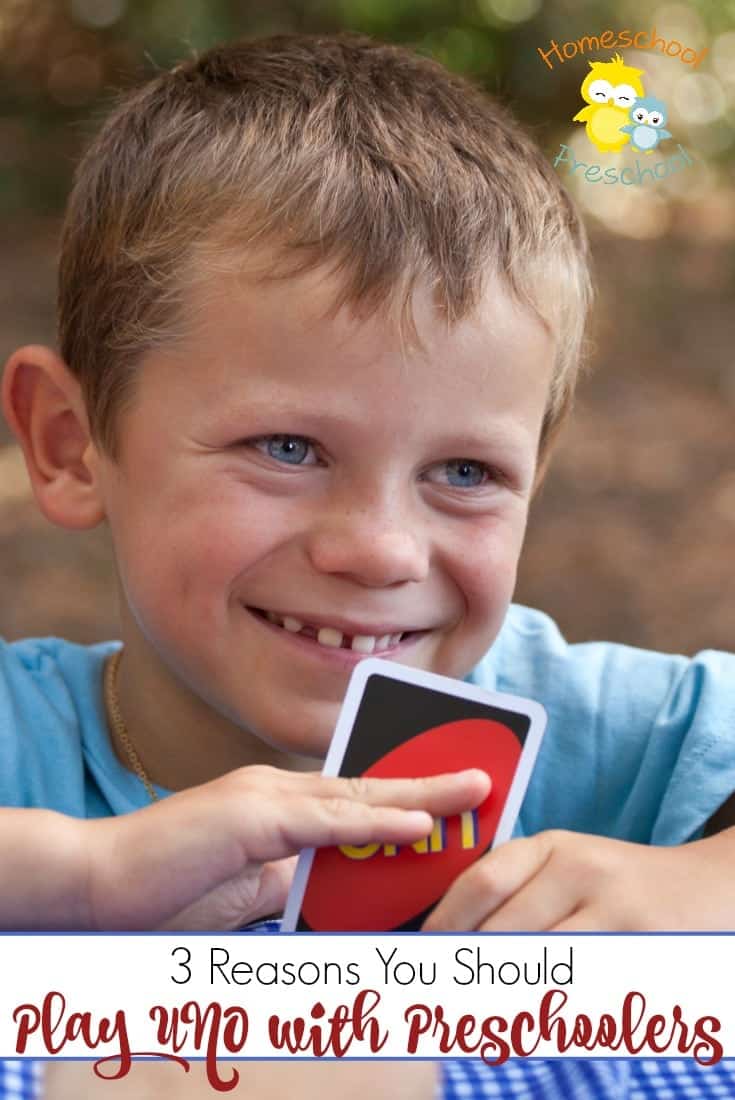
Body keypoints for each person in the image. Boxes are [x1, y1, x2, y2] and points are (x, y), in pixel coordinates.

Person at [2, 30, 735, 1100]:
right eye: (287, 449)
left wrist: (709, 881)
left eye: (467, 470)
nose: (381, 548)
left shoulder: (621, 738)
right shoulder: (23, 742)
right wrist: (81, 876)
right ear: (70, 444)